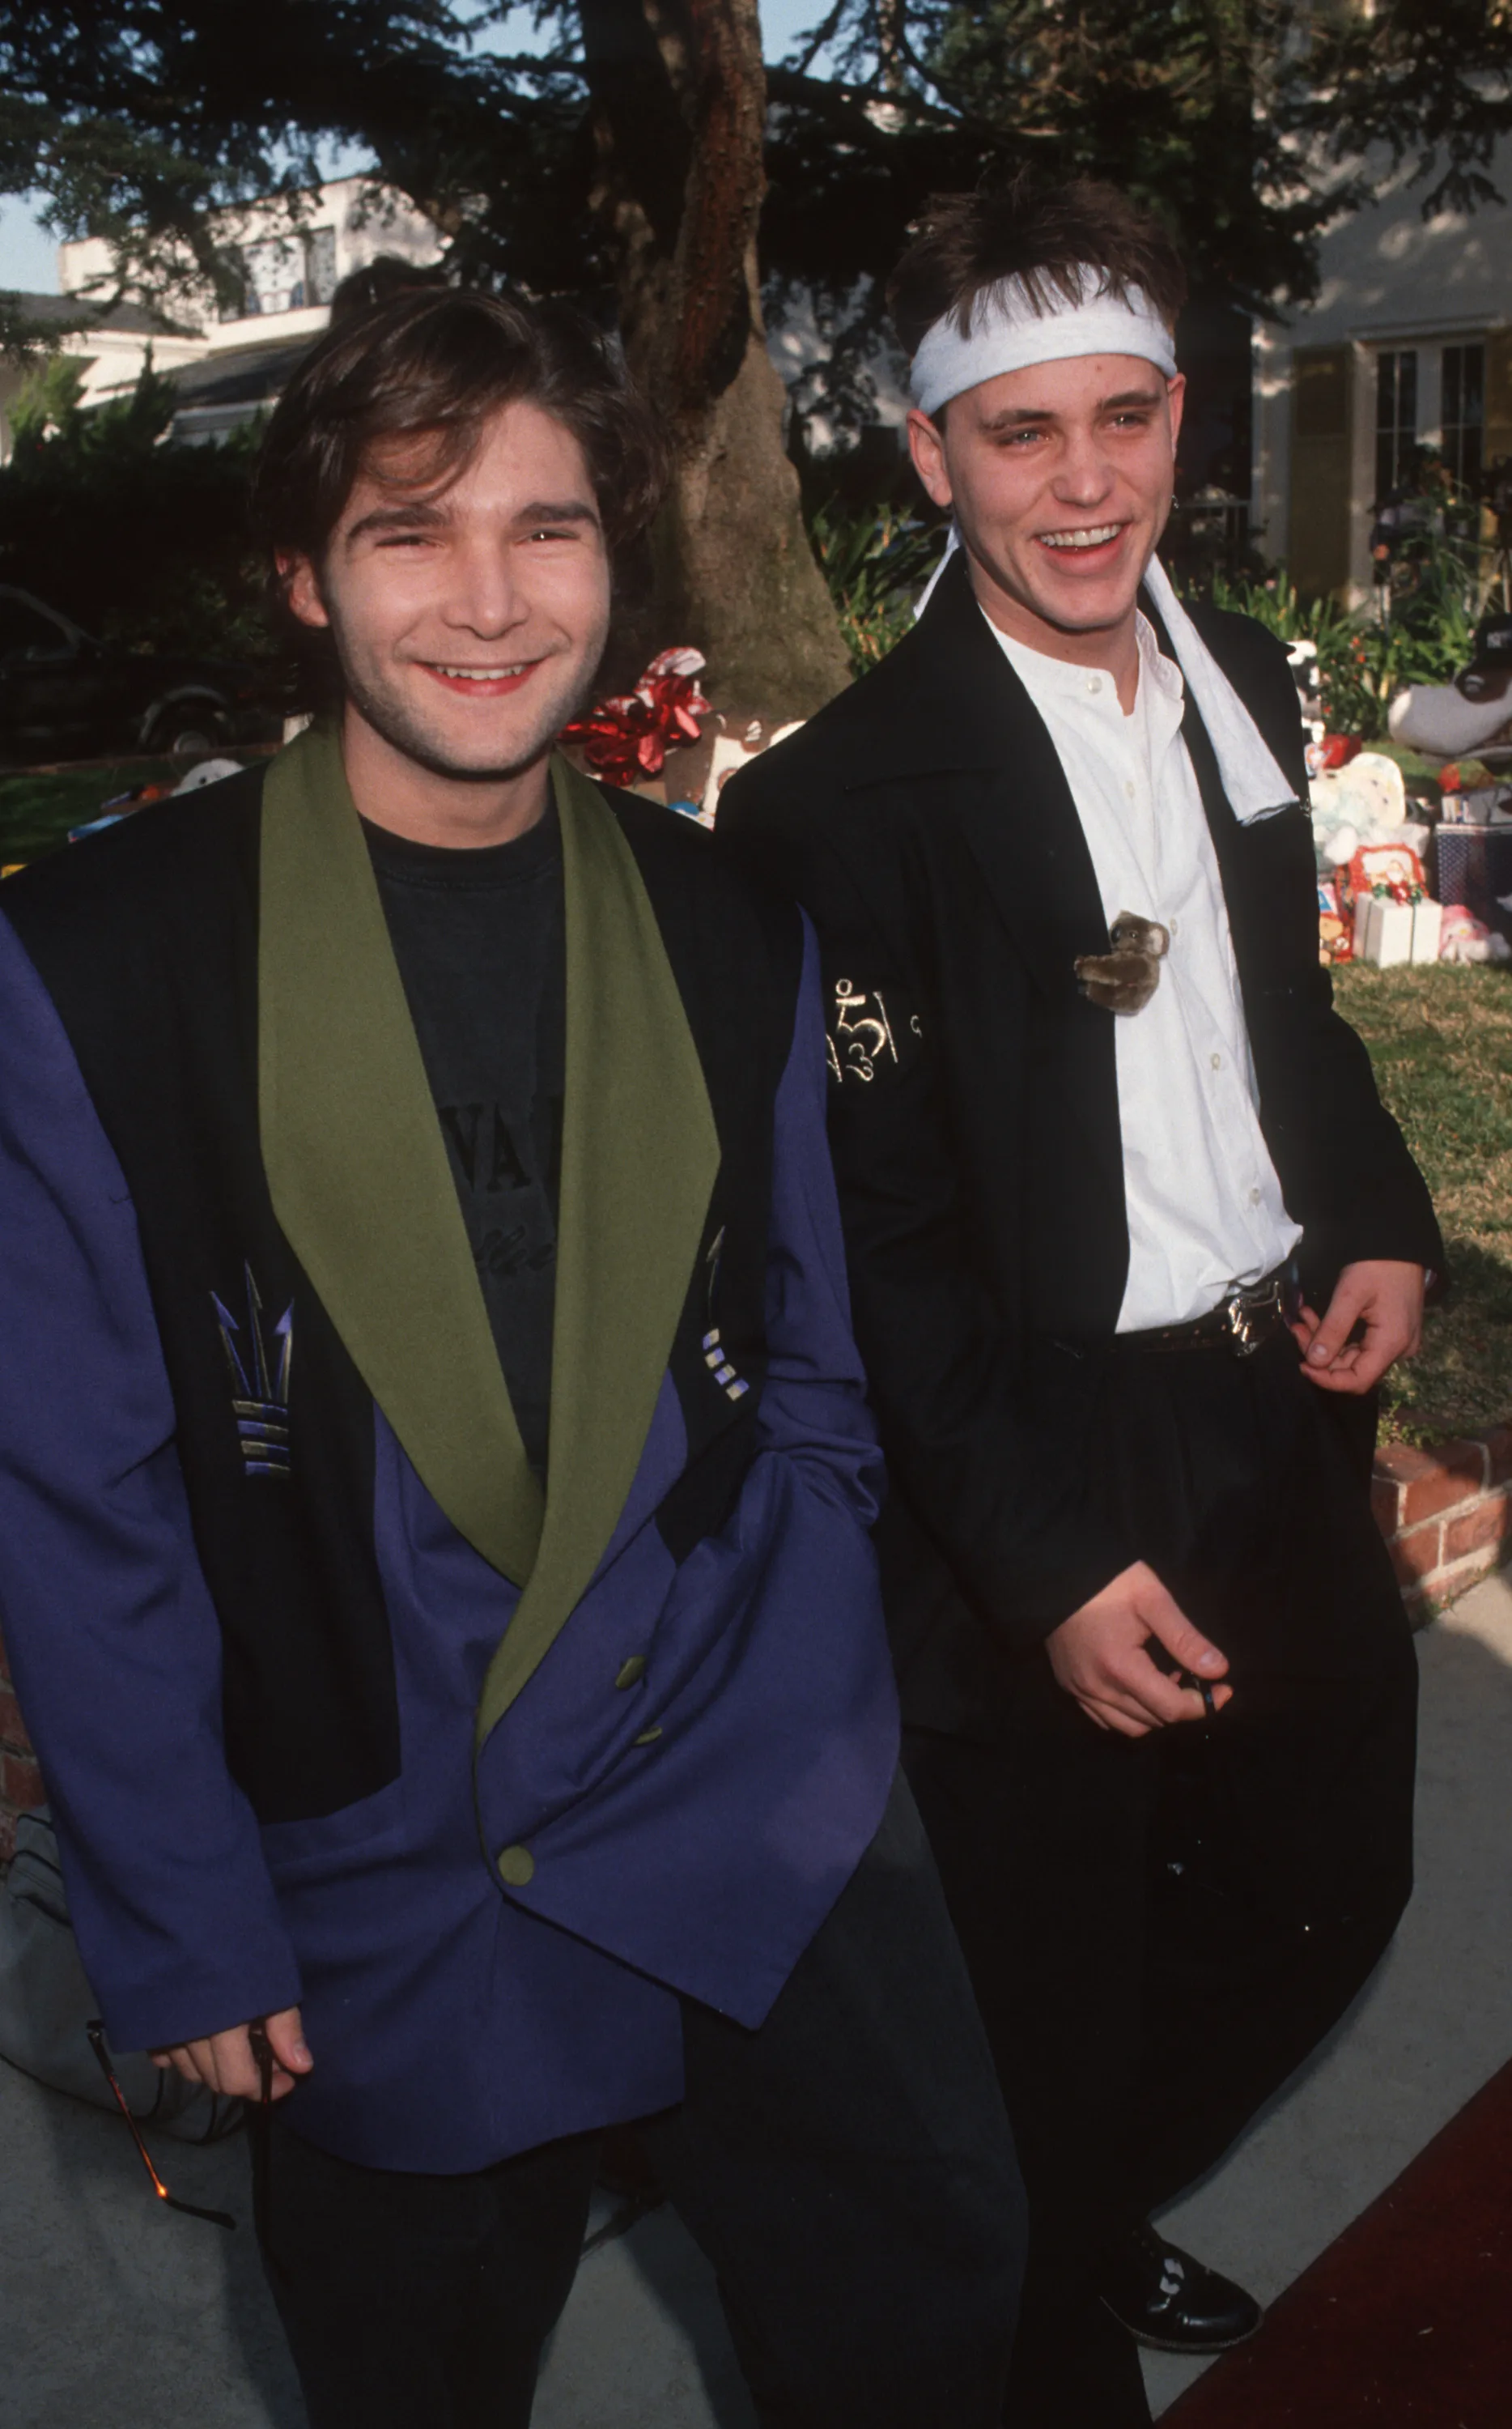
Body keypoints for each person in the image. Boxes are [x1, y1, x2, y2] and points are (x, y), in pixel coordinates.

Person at [0, 287, 1023, 2429]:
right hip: (389, 1841)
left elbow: (814, 1363)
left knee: (929, 2301)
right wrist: (185, 1924)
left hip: (755, 1784)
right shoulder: (100, 962)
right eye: (411, 532)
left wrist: (810, 1672)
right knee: (422, 2361)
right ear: (302, 574)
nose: (490, 601)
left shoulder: (720, 914)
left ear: (617, 566)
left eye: (547, 530)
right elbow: (79, 1499)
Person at [719, 177, 1442, 2429]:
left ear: (1180, 419)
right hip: (1028, 1453)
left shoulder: (1233, 668)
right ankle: (1027, 2303)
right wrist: (1034, 1554)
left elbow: (1283, 1016)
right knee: (1039, 1979)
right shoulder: (848, 805)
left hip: (1260, 1400)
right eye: (1018, 434)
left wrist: (1380, 1212)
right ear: (928, 457)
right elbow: (873, 1243)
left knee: (1326, 1880)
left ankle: (1051, 2200)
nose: (1083, 481)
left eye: (1122, 418)